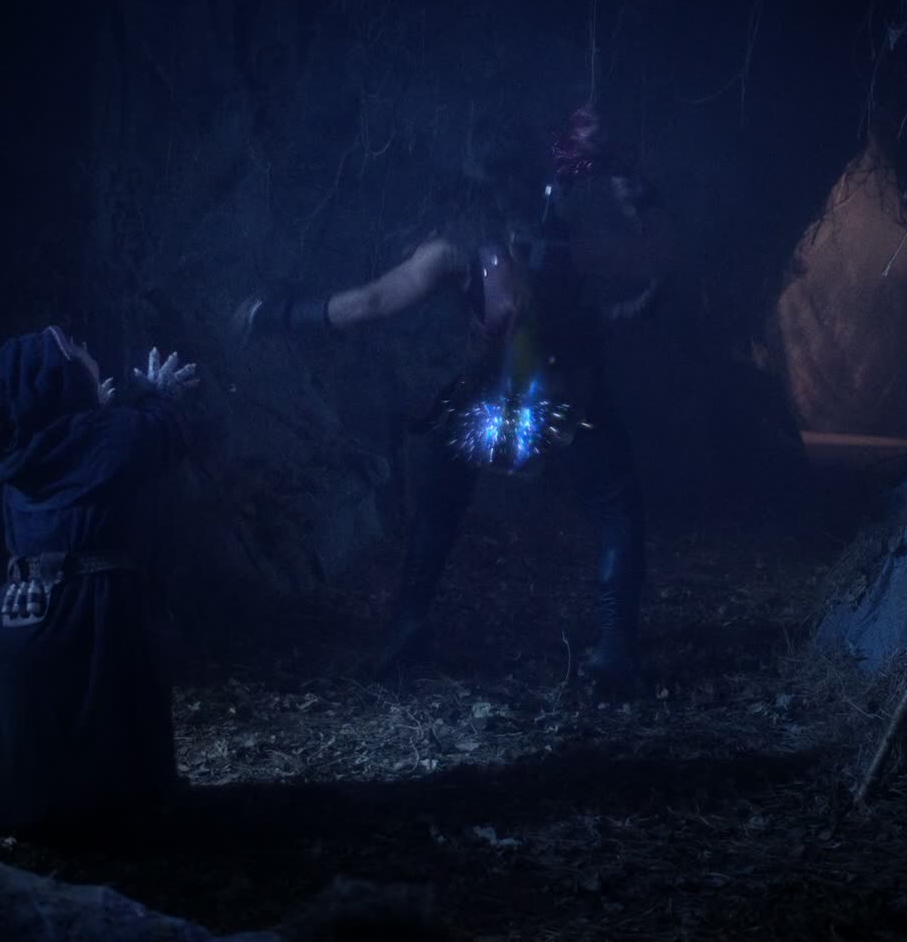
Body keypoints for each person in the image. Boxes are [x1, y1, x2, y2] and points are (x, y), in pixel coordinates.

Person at [233, 105, 670, 695]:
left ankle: (407, 625)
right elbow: (647, 264)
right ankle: (613, 651)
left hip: (489, 395)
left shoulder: (453, 248)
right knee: (616, 508)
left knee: (439, 505)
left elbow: (369, 304)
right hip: (565, 393)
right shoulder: (572, 237)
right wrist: (639, 196)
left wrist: (276, 314)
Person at [0, 324, 200, 842]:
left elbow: (93, 452)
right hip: (86, 608)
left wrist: (95, 413)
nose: (86, 349)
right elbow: (157, 435)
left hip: (15, 613)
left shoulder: (22, 449)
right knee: (108, 721)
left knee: (33, 743)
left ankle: (38, 814)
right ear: (57, 375)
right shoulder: (103, 439)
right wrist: (159, 394)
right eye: (76, 349)